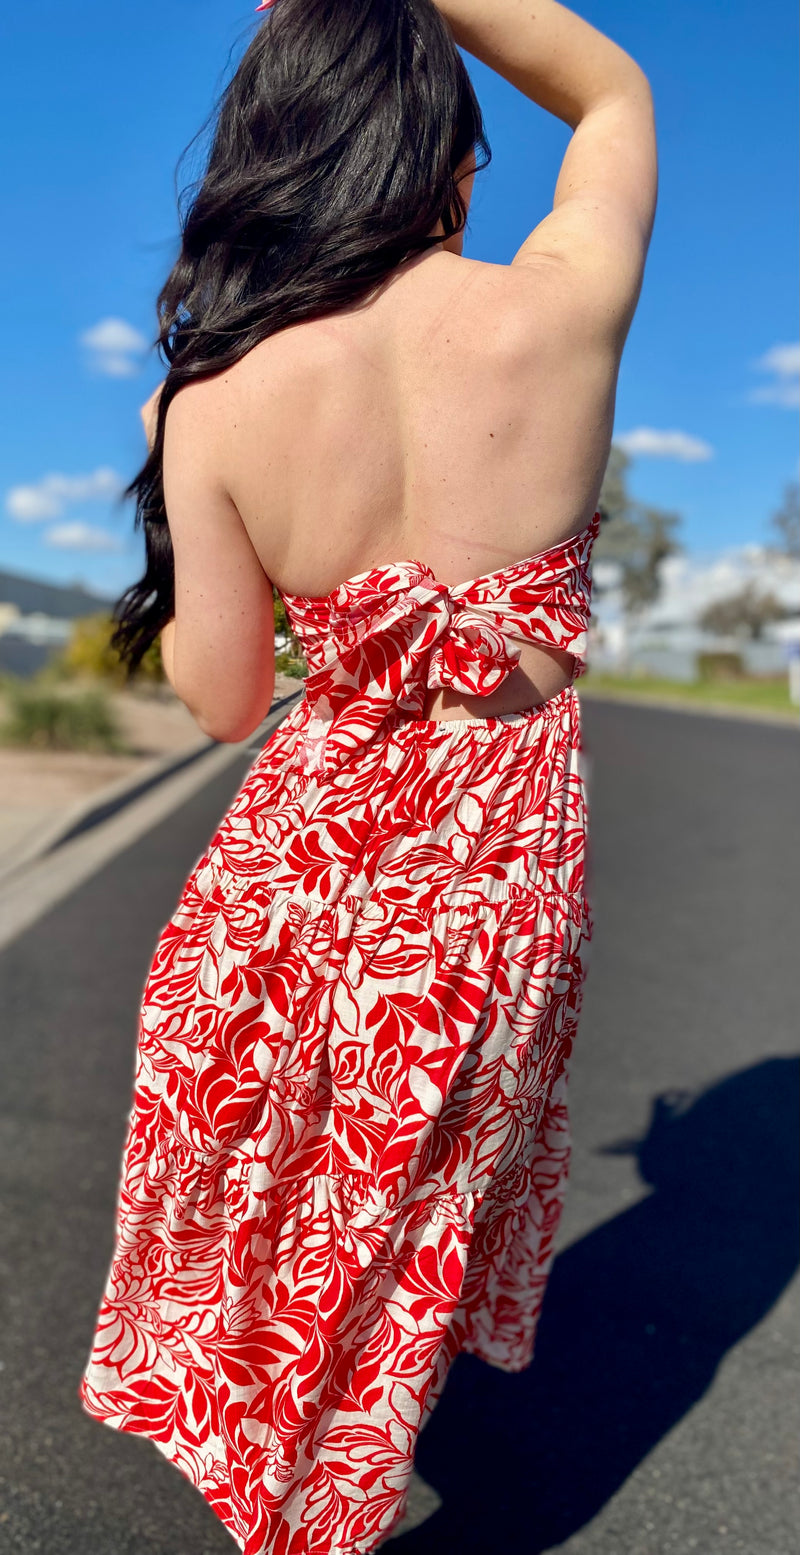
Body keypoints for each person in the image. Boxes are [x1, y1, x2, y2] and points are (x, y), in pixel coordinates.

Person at [78, 2, 657, 1551]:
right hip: (487, 875)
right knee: (396, 1232)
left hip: (291, 875)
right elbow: (610, 92)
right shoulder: (558, 312)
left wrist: (180, 458)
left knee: (262, 1227)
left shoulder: (215, 401)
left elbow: (220, 702)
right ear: (454, 174)